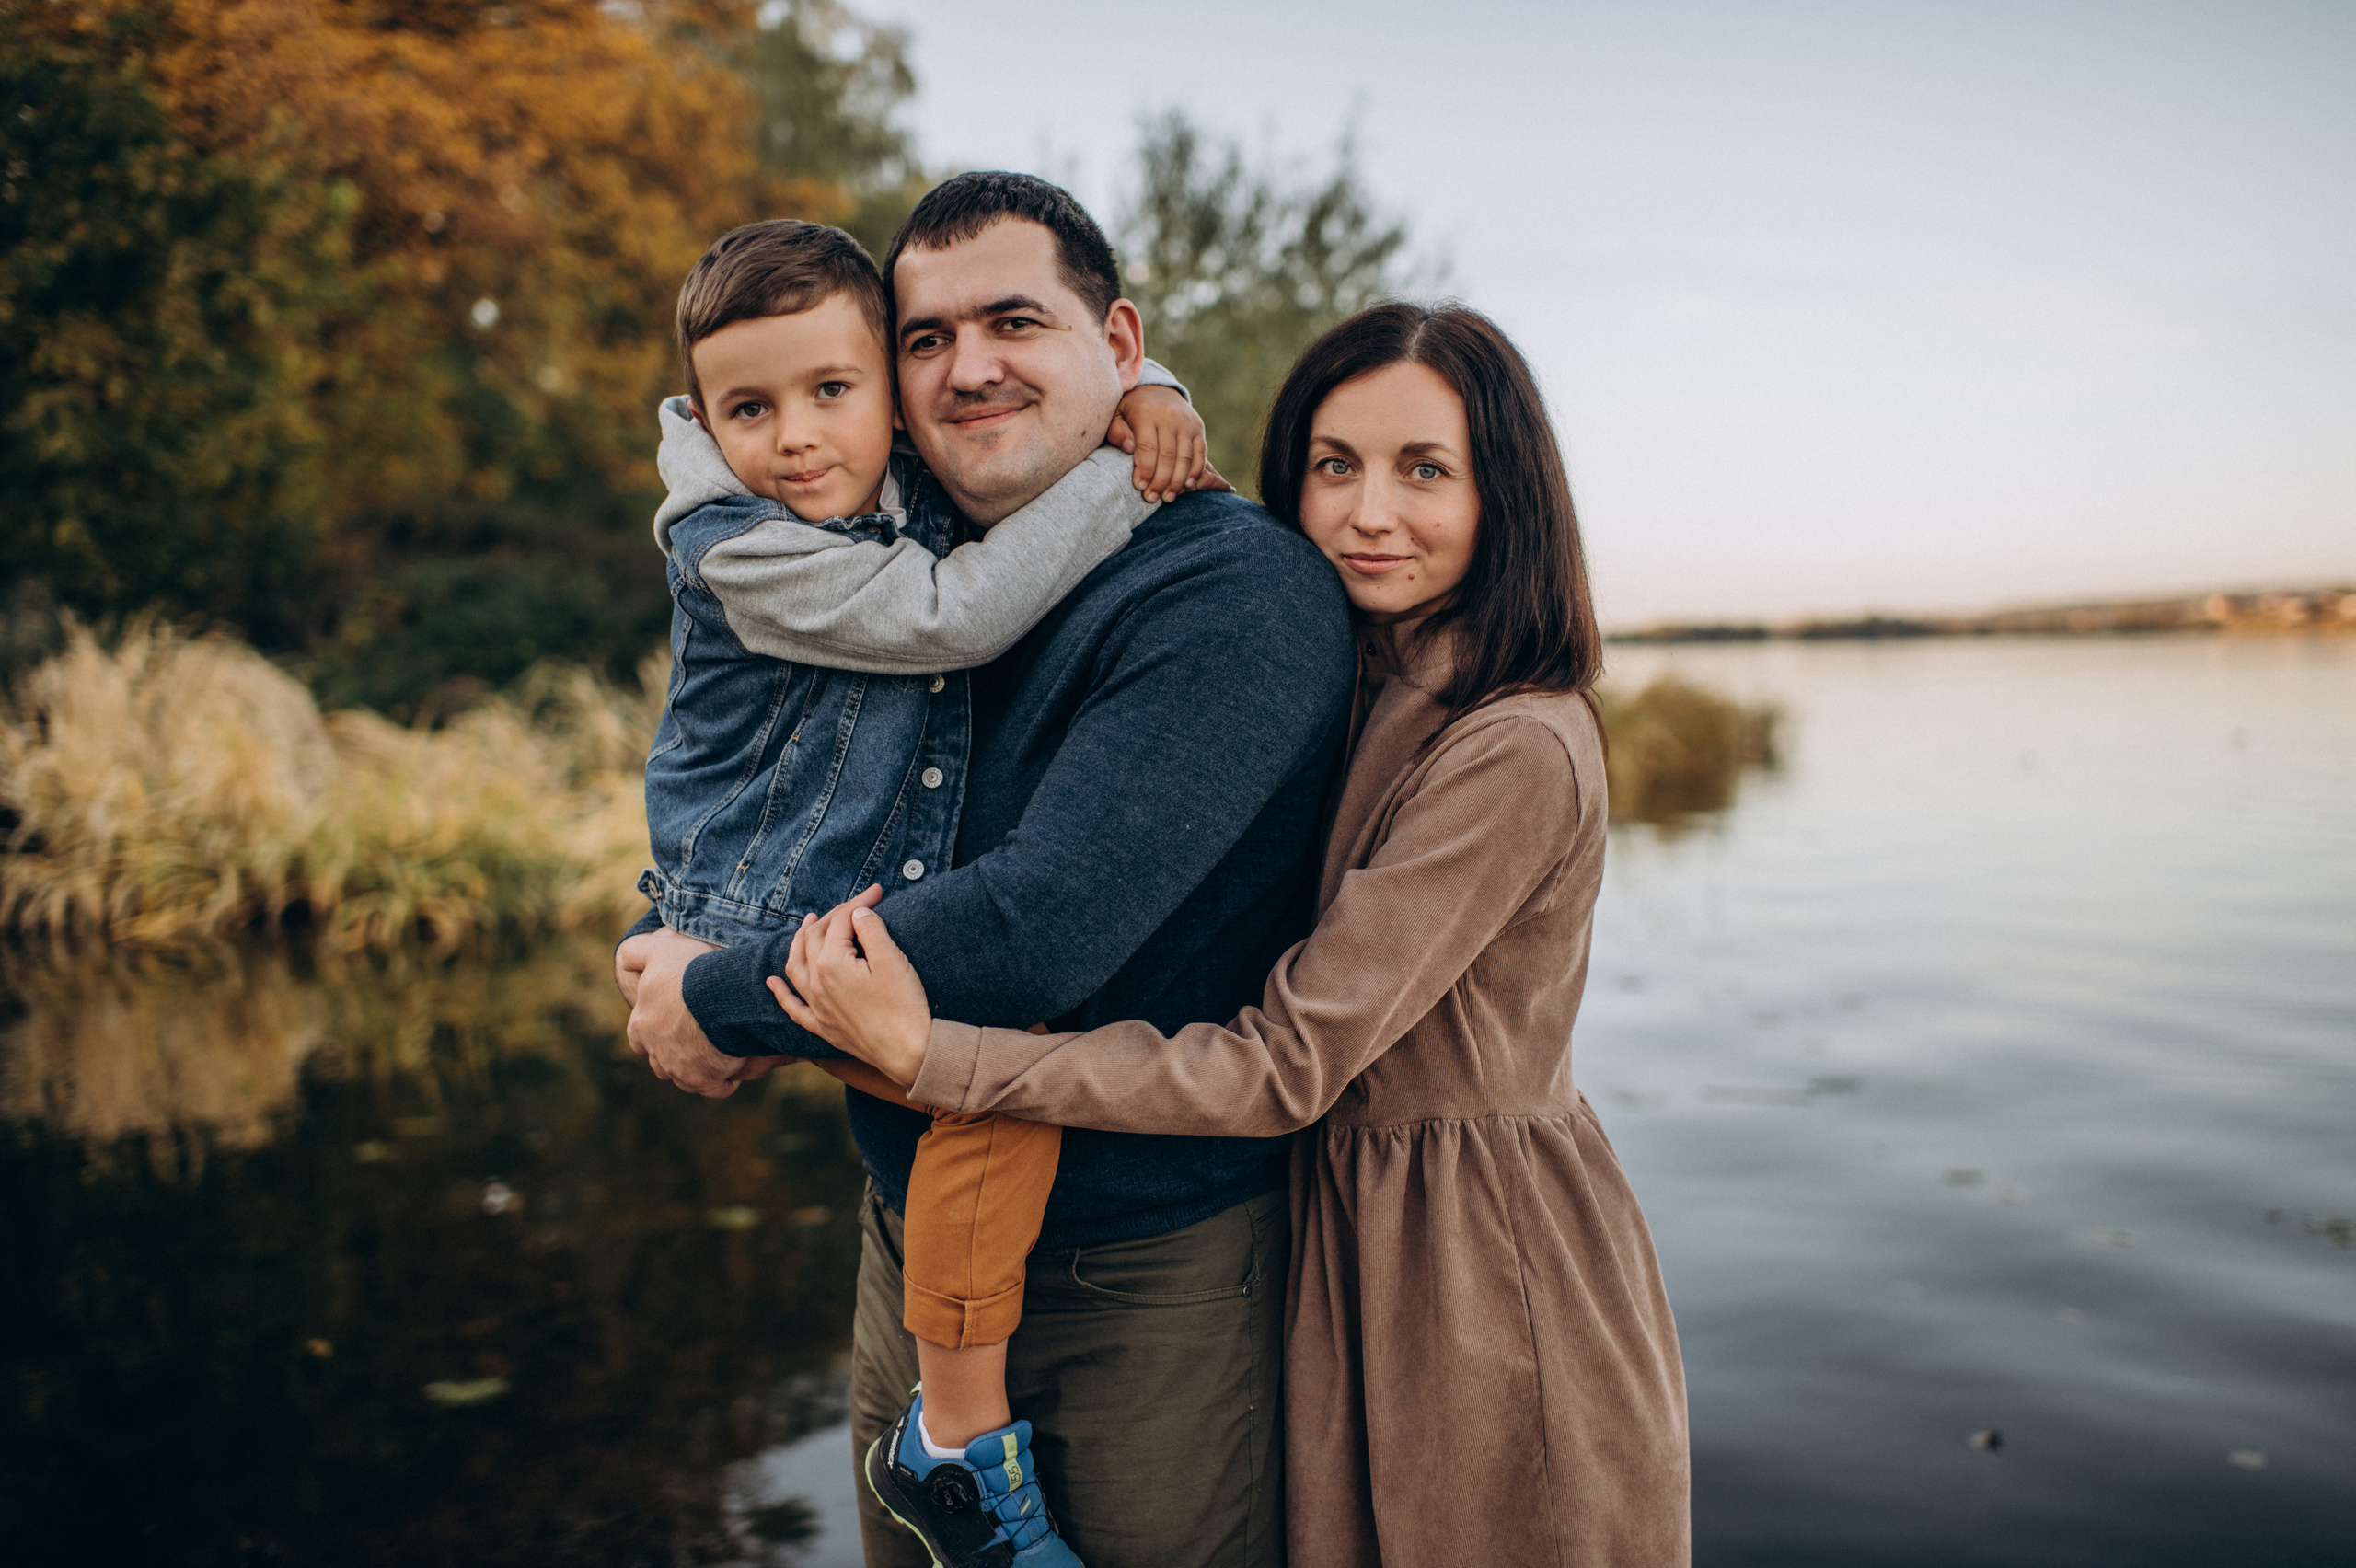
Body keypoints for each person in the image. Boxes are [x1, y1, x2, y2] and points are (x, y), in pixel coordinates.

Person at [774, 302, 1694, 1567]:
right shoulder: (1349, 671)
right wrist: (1150, 396)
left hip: (1470, 1259)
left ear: (1509, 497)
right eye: (1335, 466)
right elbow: (1028, 385)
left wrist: (942, 1060)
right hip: (1336, 1225)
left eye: (1426, 470)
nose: (1371, 512)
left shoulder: (1514, 744)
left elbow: (1282, 1065)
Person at [618, 174, 1357, 1568]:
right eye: (926, 337)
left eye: (1015, 321)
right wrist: (690, 936)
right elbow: (774, 781)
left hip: (1135, 1274)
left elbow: (1035, 931)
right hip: (909, 1239)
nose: (969, 368)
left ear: (1118, 340)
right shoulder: (899, 545)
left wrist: (715, 1000)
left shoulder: (1230, 592)